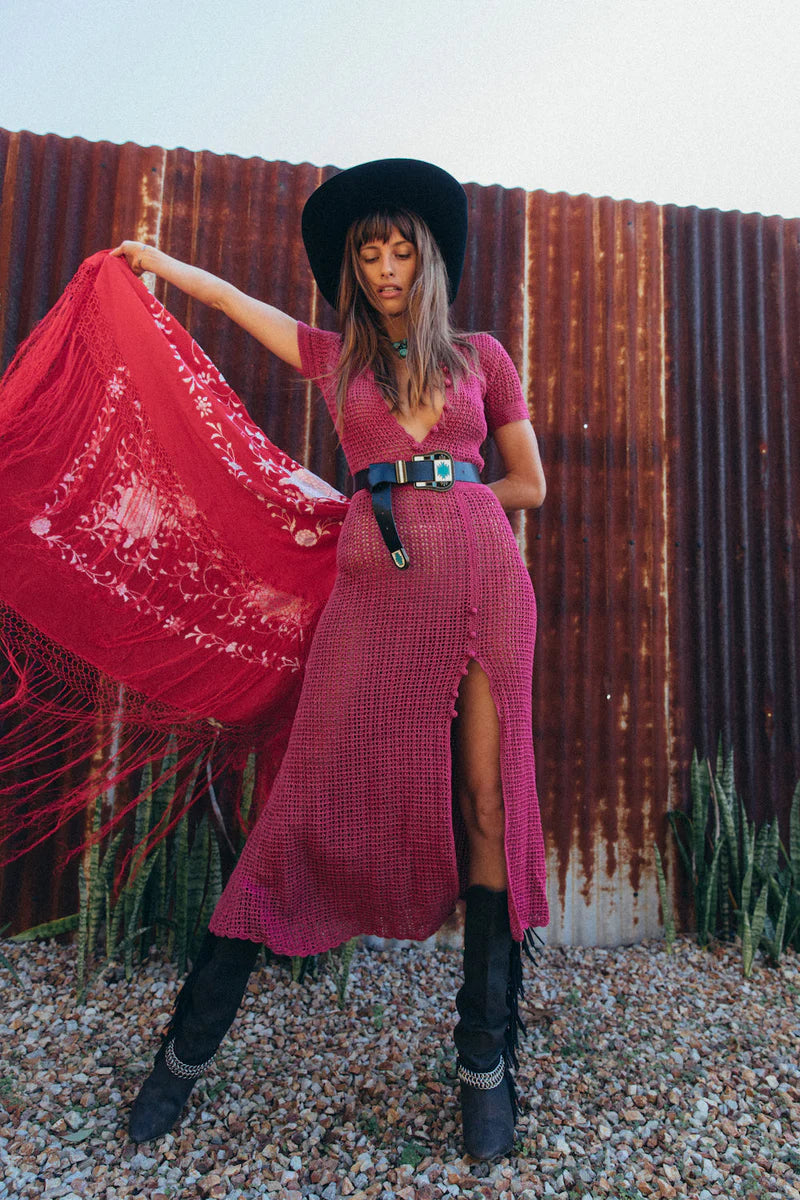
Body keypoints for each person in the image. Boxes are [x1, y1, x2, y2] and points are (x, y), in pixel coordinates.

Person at [109, 158, 548, 1160]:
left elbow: (528, 483)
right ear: (351, 267)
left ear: (427, 258)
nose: (386, 267)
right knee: (303, 801)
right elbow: (232, 304)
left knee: (486, 804)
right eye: (368, 252)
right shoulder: (334, 356)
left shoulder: (483, 356)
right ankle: (182, 1057)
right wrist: (159, 263)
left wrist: (445, 489)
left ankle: (485, 1060)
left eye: (400, 249)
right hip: (375, 597)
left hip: (484, 583)